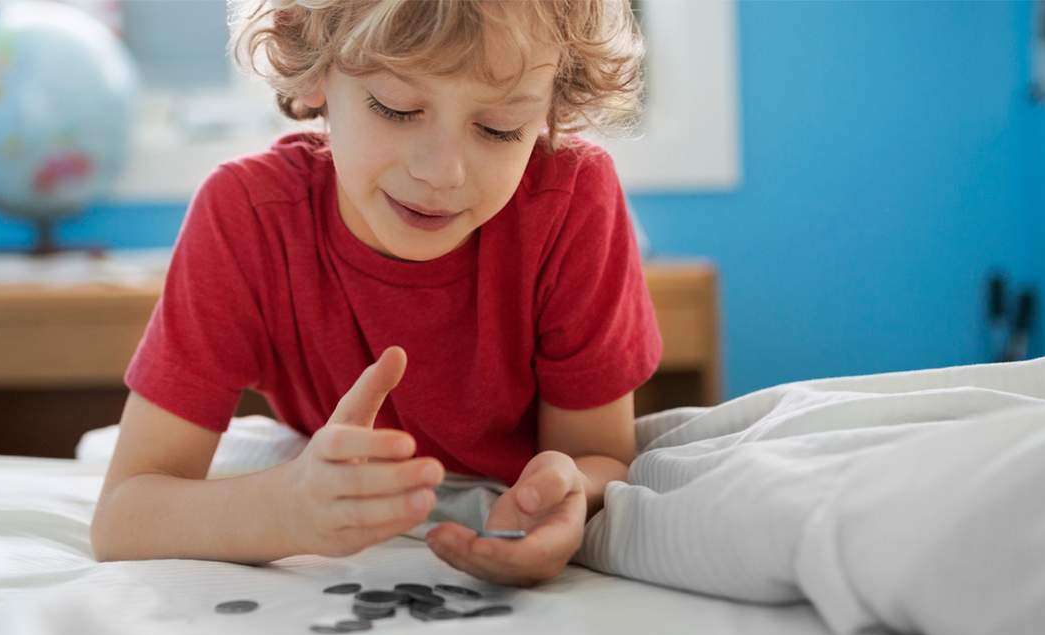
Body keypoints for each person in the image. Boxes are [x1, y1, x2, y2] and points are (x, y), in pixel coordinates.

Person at [89, 0, 660, 587]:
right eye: (397, 108)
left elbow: (598, 459)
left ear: (554, 105)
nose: (443, 173)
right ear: (315, 69)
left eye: (499, 128)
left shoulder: (573, 203)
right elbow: (123, 516)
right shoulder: (249, 217)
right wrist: (285, 511)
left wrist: (565, 497)